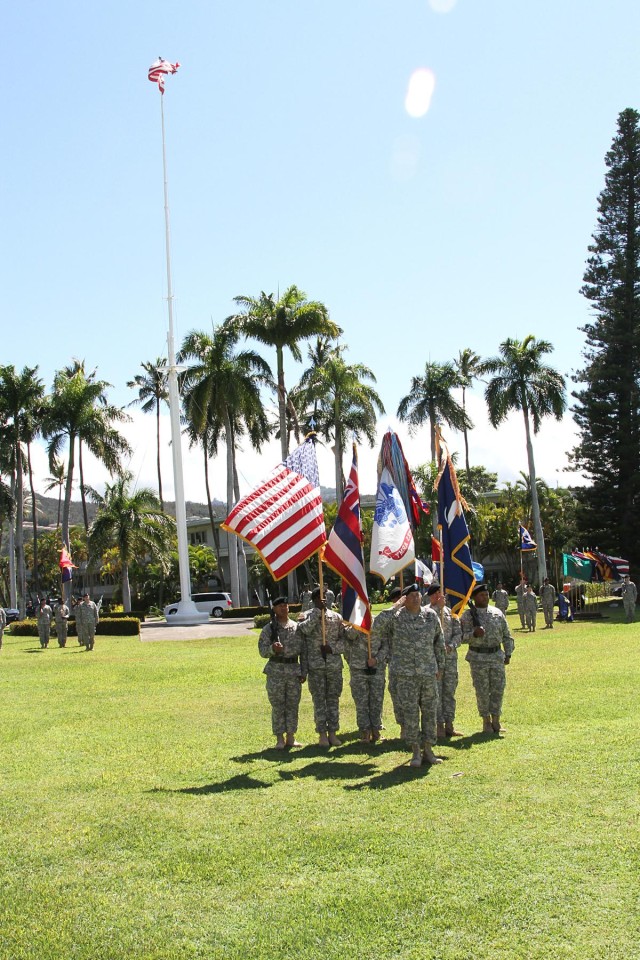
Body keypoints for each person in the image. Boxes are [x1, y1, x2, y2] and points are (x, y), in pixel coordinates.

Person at [387, 583, 445, 768]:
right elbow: (377, 626)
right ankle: (415, 752)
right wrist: (394, 607)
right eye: (411, 595)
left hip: (428, 673)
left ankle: (428, 750)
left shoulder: (430, 616)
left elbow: (439, 642)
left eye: (417, 595)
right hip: (406, 676)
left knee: (429, 712)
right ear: (404, 599)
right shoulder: (395, 618)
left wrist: (440, 667)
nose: (415, 598)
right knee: (410, 714)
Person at [460, 583, 514, 734]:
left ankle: (496, 720)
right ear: (474, 597)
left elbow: (506, 635)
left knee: (498, 689)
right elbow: (461, 637)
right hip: (478, 658)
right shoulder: (468, 615)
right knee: (482, 691)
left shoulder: (497, 612)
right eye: (482, 595)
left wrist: (508, 653)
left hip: (496, 656)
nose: (485, 597)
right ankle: (486, 722)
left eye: (487, 594)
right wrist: (473, 634)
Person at [298, 586, 347, 747]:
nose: (324, 600)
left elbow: (344, 641)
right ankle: (322, 734)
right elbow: (303, 630)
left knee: (333, 700)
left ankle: (333, 733)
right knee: (319, 701)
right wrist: (318, 613)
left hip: (333, 666)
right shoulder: (307, 616)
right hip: (316, 666)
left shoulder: (337, 617)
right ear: (314, 600)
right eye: (320, 597)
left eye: (326, 596)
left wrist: (333, 649)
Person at [258, 597, 304, 749]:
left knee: (292, 705)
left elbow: (304, 652)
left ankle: (291, 737)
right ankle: (279, 738)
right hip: (276, 671)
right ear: (274, 609)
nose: (284, 608)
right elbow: (262, 651)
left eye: (286, 606)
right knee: (278, 705)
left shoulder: (297, 628)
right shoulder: (269, 629)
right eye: (280, 606)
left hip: (293, 671)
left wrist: (304, 671)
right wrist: (273, 649)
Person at [344, 611, 388, 744]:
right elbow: (349, 637)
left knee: (376, 700)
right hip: (358, 669)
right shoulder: (352, 624)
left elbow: (386, 646)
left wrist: (377, 659)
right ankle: (365, 732)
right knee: (361, 702)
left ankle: (376, 730)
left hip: (376, 668)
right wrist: (358, 624)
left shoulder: (379, 624)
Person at [425, 583, 463, 738]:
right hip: (433, 659)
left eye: (439, 594)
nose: (437, 597)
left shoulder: (451, 613)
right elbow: (425, 632)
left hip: (450, 659)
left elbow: (458, 634)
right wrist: (437, 609)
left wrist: (452, 645)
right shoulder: (426, 613)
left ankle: (449, 724)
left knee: (449, 692)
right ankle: (438, 725)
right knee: (436, 693)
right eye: (434, 595)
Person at [371, 587, 403, 734]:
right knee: (397, 694)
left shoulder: (420, 615)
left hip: (415, 663)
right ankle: (404, 726)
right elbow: (378, 625)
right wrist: (396, 607)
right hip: (395, 661)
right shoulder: (390, 616)